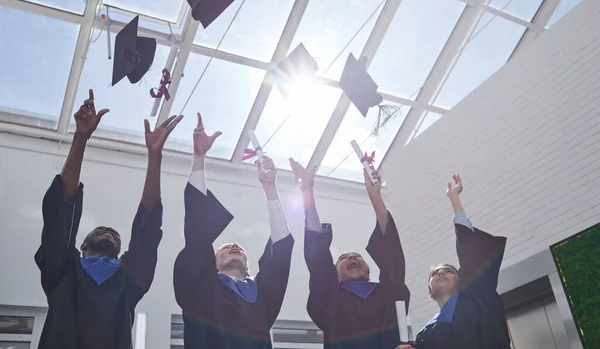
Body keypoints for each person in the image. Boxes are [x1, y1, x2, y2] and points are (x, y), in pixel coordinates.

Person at [35, 89, 182, 349]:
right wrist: (80, 137)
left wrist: (155, 156)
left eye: (114, 233)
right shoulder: (63, 270)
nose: (108, 231)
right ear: (82, 246)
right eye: (101, 230)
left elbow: (146, 233)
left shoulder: (128, 279)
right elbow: (60, 217)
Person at [173, 113, 294, 348]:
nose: (235, 246)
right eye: (226, 249)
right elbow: (197, 232)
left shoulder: (261, 297)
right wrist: (199, 157)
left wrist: (271, 188)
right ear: (212, 264)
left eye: (238, 249)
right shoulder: (201, 287)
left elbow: (281, 252)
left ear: (249, 268)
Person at [289, 158, 410, 349]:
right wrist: (307, 193)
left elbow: (392, 253)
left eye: (356, 255)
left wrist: (375, 197)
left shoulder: (387, 293)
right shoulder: (331, 299)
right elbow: (318, 260)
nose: (352, 257)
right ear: (335, 275)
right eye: (343, 258)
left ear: (369, 270)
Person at [398, 174, 510, 349]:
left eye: (448, 271)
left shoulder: (478, 297)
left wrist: (454, 200)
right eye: (435, 273)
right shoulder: (424, 336)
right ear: (429, 291)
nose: (441, 273)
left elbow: (469, 252)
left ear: (461, 281)